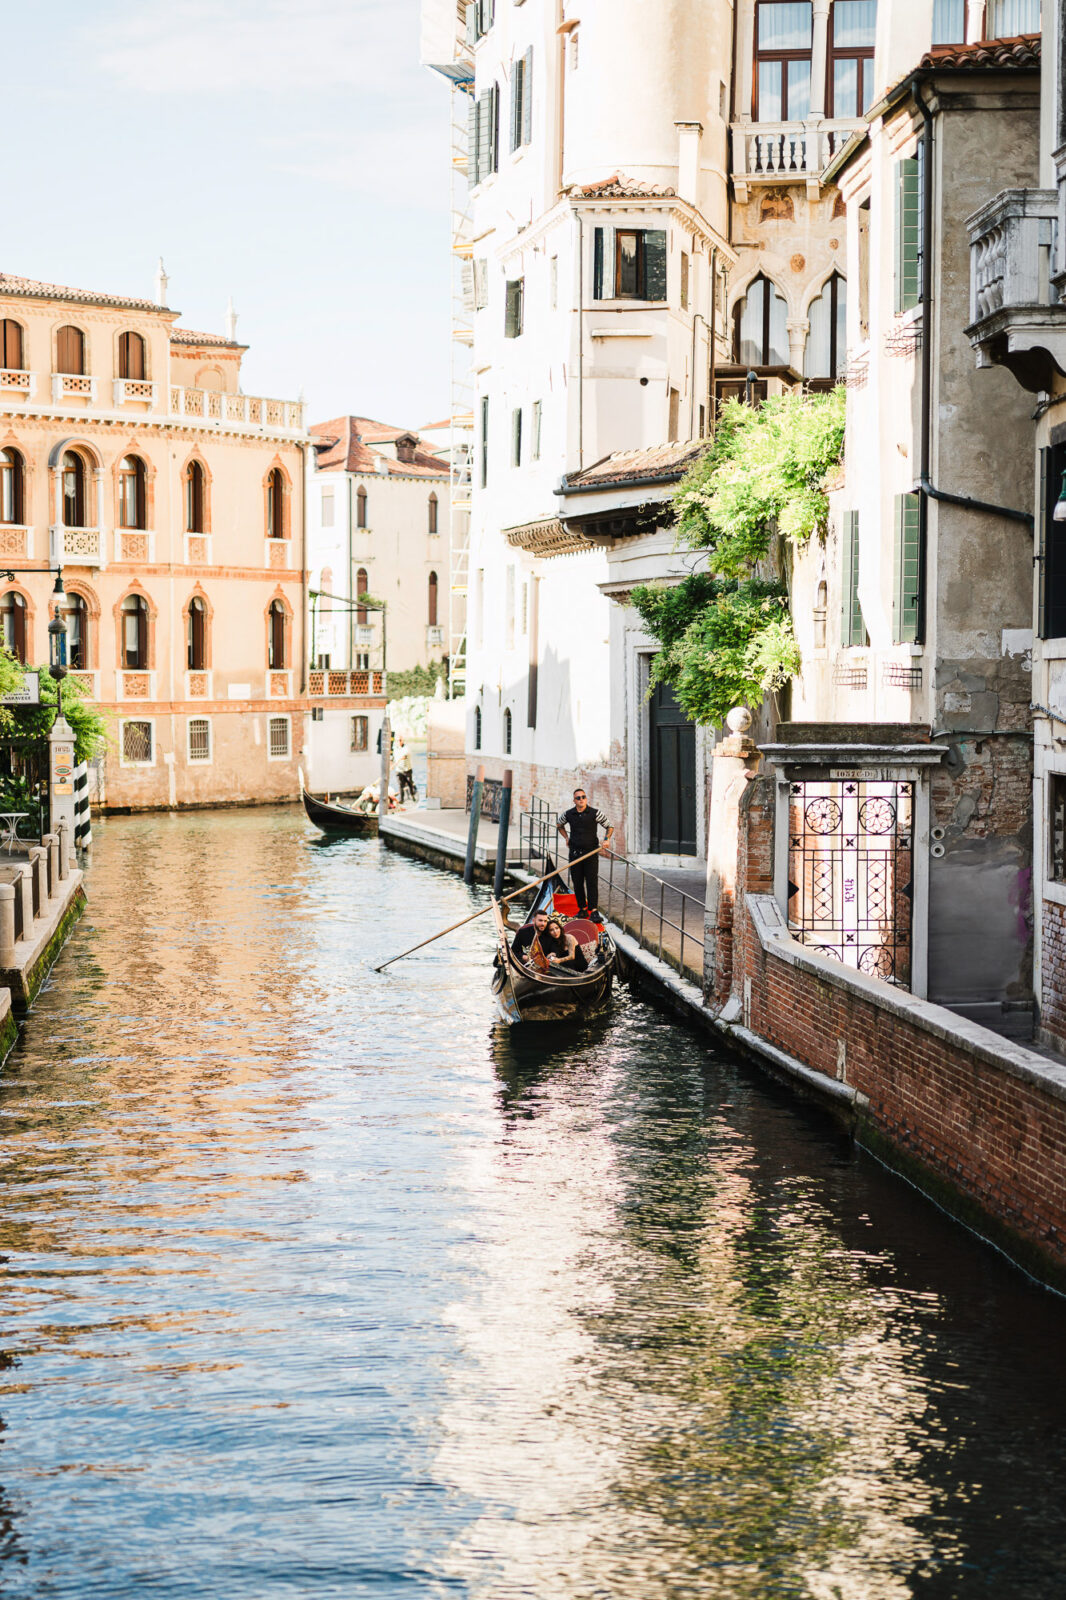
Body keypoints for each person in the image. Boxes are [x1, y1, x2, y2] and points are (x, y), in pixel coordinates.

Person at [557, 787, 614, 918]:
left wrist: (606, 839)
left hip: (591, 853)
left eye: (583, 797)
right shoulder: (568, 814)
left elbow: (609, 826)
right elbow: (559, 825)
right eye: (578, 798)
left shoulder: (595, 813)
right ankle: (582, 908)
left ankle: (593, 910)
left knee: (591, 882)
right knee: (577, 882)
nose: (581, 800)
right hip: (575, 853)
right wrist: (566, 837)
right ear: (574, 800)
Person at [395, 738, 417, 803]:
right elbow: (392, 757)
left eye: (400, 740)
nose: (398, 742)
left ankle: (412, 795)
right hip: (399, 770)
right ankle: (401, 799)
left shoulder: (406, 748)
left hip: (407, 770)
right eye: (397, 740)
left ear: (402, 741)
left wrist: (401, 757)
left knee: (410, 783)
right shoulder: (395, 749)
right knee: (400, 785)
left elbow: (406, 755)